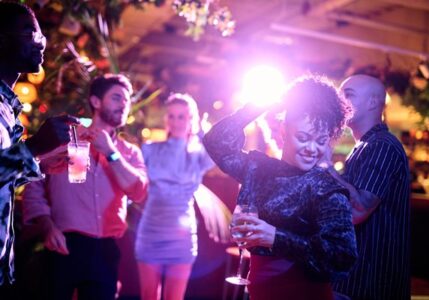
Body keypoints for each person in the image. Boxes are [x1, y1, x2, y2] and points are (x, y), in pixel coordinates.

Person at [203, 75, 357, 300]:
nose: (311, 148)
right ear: (284, 132)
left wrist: (276, 238)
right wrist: (257, 107)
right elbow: (216, 142)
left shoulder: (326, 190)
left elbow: (342, 257)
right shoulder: (258, 168)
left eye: (321, 140)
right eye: (303, 137)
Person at [22, 73, 148, 300]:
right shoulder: (66, 139)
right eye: (117, 98)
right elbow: (33, 182)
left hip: (106, 250)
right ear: (96, 101)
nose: (124, 105)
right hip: (64, 246)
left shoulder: (129, 152)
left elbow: (138, 192)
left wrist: (111, 152)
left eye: (127, 100)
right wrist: (47, 225)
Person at [0, 1, 79, 286]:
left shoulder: (8, 108)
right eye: (30, 34)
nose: (41, 44)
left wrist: (40, 161)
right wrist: (34, 147)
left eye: (41, 37)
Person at [330, 74, 410, 300]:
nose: (340, 101)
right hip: (358, 279)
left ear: (373, 102)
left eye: (349, 94)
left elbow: (358, 211)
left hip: (368, 282)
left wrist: (324, 164)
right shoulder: (367, 145)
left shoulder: (382, 145)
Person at [135, 93, 215, 300]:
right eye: (171, 116)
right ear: (166, 119)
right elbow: (135, 183)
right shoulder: (150, 149)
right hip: (151, 231)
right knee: (148, 296)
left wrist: (203, 133)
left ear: (192, 120)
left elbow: (219, 154)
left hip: (181, 236)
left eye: (182, 116)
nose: (176, 121)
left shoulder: (199, 154)